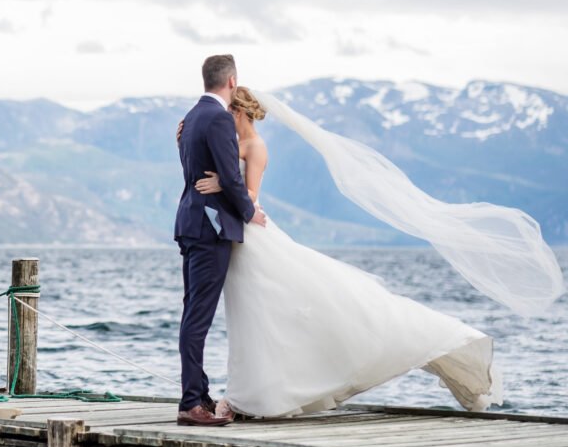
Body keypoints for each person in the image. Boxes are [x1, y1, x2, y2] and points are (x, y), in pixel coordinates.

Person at [186, 86, 561, 418]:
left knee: (287, 310)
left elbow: (250, 197)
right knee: (257, 318)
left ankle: (246, 396)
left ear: (239, 112)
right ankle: (257, 391)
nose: (223, 121)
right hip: (239, 239)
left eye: (228, 115)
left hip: (254, 238)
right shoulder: (229, 142)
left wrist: (223, 183)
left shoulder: (256, 147)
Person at [173, 55, 267, 426]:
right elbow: (229, 176)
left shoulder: (191, 118)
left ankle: (199, 394)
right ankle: (191, 403)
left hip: (191, 222)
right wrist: (250, 213)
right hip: (210, 228)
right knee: (198, 318)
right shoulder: (218, 119)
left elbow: (202, 168)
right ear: (232, 81)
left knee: (192, 314)